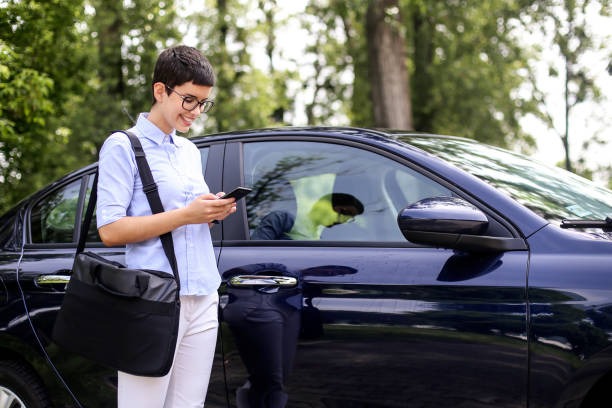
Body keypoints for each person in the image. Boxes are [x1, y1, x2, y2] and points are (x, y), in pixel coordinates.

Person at [96, 45, 235, 408]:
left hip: (203, 295)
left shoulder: (189, 151)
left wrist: (212, 211)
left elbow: (188, 217)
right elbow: (110, 231)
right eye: (189, 100)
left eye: (204, 103)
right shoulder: (122, 146)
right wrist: (187, 215)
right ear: (161, 90)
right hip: (152, 300)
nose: (197, 111)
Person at [251, 192, 364, 240]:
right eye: (344, 213)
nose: (343, 220)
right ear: (325, 204)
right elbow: (255, 254)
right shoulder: (282, 219)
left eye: (348, 219)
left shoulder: (317, 238)